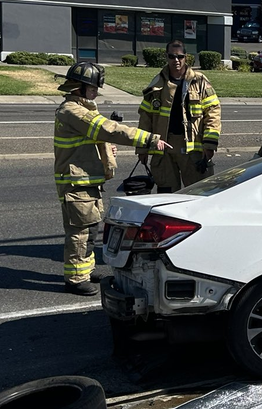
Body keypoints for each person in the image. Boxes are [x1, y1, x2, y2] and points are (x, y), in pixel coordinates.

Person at [54, 62, 169, 296]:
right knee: (80, 232)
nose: (96, 92)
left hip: (86, 182)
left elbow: (96, 138)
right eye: (93, 88)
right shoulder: (73, 111)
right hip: (77, 183)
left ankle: (85, 270)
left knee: (90, 230)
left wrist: (104, 151)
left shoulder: (82, 109)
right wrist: (148, 139)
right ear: (80, 88)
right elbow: (108, 129)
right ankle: (75, 278)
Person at [136, 40, 221, 192]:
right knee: (166, 194)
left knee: (197, 193)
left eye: (180, 56)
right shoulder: (157, 84)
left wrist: (209, 144)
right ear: (166, 57)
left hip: (192, 148)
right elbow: (145, 118)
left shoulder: (199, 82)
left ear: (186, 57)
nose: (176, 60)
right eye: (172, 56)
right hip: (164, 147)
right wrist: (142, 149)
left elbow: (213, 113)